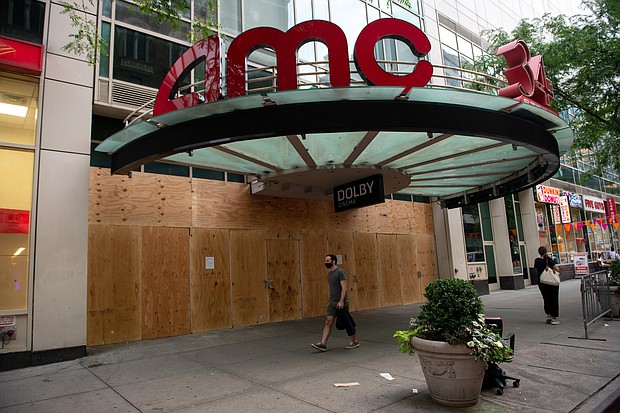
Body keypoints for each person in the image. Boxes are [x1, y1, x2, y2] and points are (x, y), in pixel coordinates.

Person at [311, 254, 359, 351]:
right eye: (325, 260)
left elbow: (344, 288)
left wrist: (341, 301)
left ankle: (354, 341)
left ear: (333, 261)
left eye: (328, 261)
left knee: (347, 322)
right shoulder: (329, 273)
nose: (326, 262)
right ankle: (323, 344)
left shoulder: (340, 272)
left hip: (341, 302)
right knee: (328, 322)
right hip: (332, 302)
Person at [534, 246, 561, 325]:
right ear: (546, 252)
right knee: (554, 299)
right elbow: (557, 269)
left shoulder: (537, 261)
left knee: (546, 298)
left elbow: (536, 268)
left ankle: (548, 314)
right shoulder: (549, 260)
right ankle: (554, 317)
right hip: (552, 283)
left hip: (542, 282)